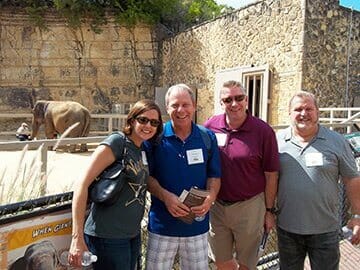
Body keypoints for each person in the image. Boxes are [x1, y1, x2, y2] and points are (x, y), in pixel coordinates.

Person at [68, 99, 163, 270]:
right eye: (143, 120)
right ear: (132, 120)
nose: (148, 125)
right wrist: (77, 237)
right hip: (107, 236)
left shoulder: (141, 149)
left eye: (154, 122)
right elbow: (82, 184)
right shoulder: (117, 142)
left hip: (131, 235)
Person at [276, 91, 360, 270]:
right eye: (298, 109)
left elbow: (352, 178)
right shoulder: (277, 141)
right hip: (287, 229)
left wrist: (357, 216)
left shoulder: (336, 141)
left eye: (309, 109)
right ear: (289, 113)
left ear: (317, 112)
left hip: (325, 231)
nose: (303, 113)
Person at [144, 83, 221, 270]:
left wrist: (210, 198)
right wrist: (166, 197)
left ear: (194, 106)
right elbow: (146, 177)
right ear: (167, 108)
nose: (181, 110)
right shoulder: (155, 138)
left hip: (196, 227)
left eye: (186, 104)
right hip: (162, 226)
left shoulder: (207, 137)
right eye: (175, 105)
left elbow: (214, 175)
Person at [204, 80, 280, 270]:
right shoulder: (210, 127)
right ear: (222, 103)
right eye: (228, 99)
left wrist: (269, 211)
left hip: (250, 207)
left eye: (239, 98)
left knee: (247, 264)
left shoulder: (263, 131)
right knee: (221, 262)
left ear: (246, 100)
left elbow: (271, 175)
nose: (234, 104)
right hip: (218, 207)